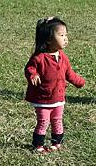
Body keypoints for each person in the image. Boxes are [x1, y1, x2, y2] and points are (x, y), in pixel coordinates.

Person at [25, 17, 85, 153]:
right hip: (43, 99)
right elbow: (29, 68)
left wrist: (79, 82)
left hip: (58, 98)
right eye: (61, 35)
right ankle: (38, 145)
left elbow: (69, 73)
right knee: (43, 122)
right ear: (48, 39)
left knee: (57, 121)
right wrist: (33, 75)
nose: (65, 39)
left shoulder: (63, 57)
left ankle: (56, 143)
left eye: (66, 35)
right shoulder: (39, 57)